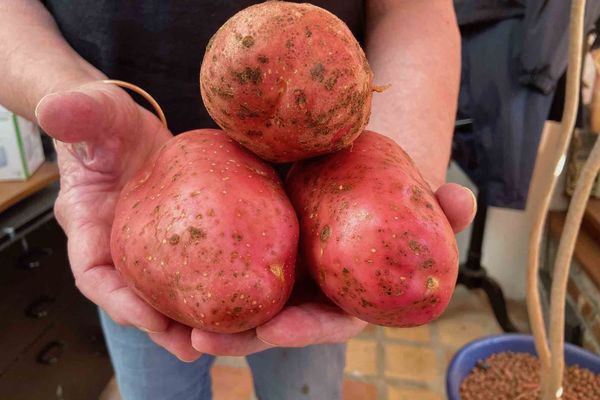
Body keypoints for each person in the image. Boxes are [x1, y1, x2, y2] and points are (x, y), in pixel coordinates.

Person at [0, 1, 475, 399]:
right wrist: (67, 96)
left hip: (318, 232)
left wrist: (397, 152)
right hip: (128, 190)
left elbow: (416, 11)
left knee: (304, 384)